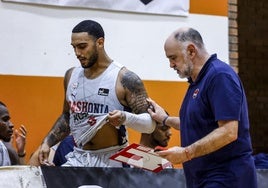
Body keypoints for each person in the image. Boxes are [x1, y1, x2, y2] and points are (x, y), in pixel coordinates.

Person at [147, 27, 257, 187]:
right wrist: (164, 119)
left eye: (173, 58)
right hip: (203, 179)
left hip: (226, 178)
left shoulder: (220, 76)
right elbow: (196, 123)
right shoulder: (197, 82)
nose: (171, 65)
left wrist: (186, 153)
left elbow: (228, 132)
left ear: (191, 51)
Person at [37, 20, 156, 167]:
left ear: (100, 43)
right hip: (79, 156)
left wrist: (125, 117)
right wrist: (47, 142)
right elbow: (67, 116)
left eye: (82, 47)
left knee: (159, 166)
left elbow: (150, 124)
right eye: (74, 48)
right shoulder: (71, 75)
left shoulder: (125, 78)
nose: (77, 53)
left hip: (113, 158)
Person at [0, 101, 27, 166]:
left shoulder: (3, 147)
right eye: (5, 119)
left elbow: (23, 174)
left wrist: (21, 152)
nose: (11, 125)